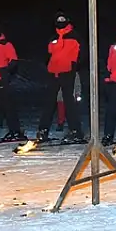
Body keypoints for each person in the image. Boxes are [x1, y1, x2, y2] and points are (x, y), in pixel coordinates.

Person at [37, 12, 83, 143]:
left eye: (63, 19)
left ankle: (75, 130)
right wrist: (48, 65)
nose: (60, 22)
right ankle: (43, 130)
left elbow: (82, 54)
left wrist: (74, 66)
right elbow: (47, 54)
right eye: (58, 20)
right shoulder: (53, 37)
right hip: (53, 72)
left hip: (68, 72)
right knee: (49, 102)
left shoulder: (75, 37)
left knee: (69, 102)